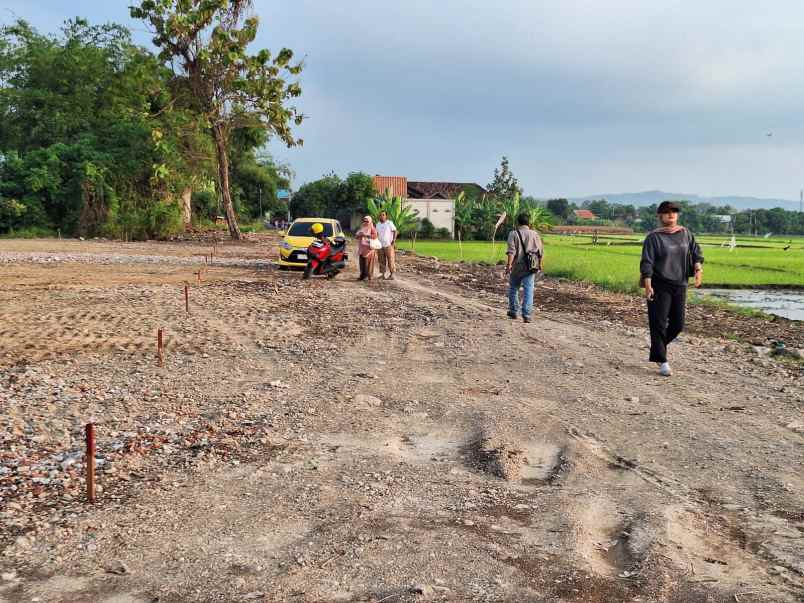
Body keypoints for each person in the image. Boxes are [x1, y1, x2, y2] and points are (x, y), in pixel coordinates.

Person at [640, 201, 704, 377]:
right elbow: (647, 261)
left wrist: (698, 269)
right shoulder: (654, 237)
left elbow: (695, 252)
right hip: (660, 285)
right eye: (667, 212)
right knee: (658, 323)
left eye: (674, 212)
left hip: (680, 284)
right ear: (660, 216)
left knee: (678, 324)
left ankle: (656, 346)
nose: (671, 214)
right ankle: (662, 361)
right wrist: (647, 283)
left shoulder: (685, 233)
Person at [505, 212, 544, 323]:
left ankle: (513, 311)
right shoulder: (535, 234)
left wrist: (509, 265)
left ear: (518, 222)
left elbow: (511, 252)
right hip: (531, 266)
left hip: (517, 267)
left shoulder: (513, 234)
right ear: (529, 223)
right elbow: (540, 252)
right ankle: (526, 315)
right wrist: (540, 264)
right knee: (528, 290)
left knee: (513, 288)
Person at [354, 215, 378, 281]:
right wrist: (359, 235)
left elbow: (375, 236)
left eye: (367, 221)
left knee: (368, 263)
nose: (365, 222)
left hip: (369, 249)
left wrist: (365, 235)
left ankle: (369, 276)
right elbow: (356, 236)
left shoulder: (372, 228)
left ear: (370, 221)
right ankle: (362, 275)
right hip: (362, 248)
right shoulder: (362, 227)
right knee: (362, 263)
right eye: (364, 221)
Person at [375, 211, 398, 280]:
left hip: (389, 245)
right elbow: (376, 234)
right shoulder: (377, 224)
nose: (381, 216)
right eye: (380, 215)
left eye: (383, 215)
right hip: (380, 245)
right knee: (381, 260)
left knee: (390, 259)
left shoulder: (389, 223)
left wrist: (394, 240)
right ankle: (382, 274)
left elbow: (395, 231)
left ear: (386, 216)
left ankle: (392, 274)